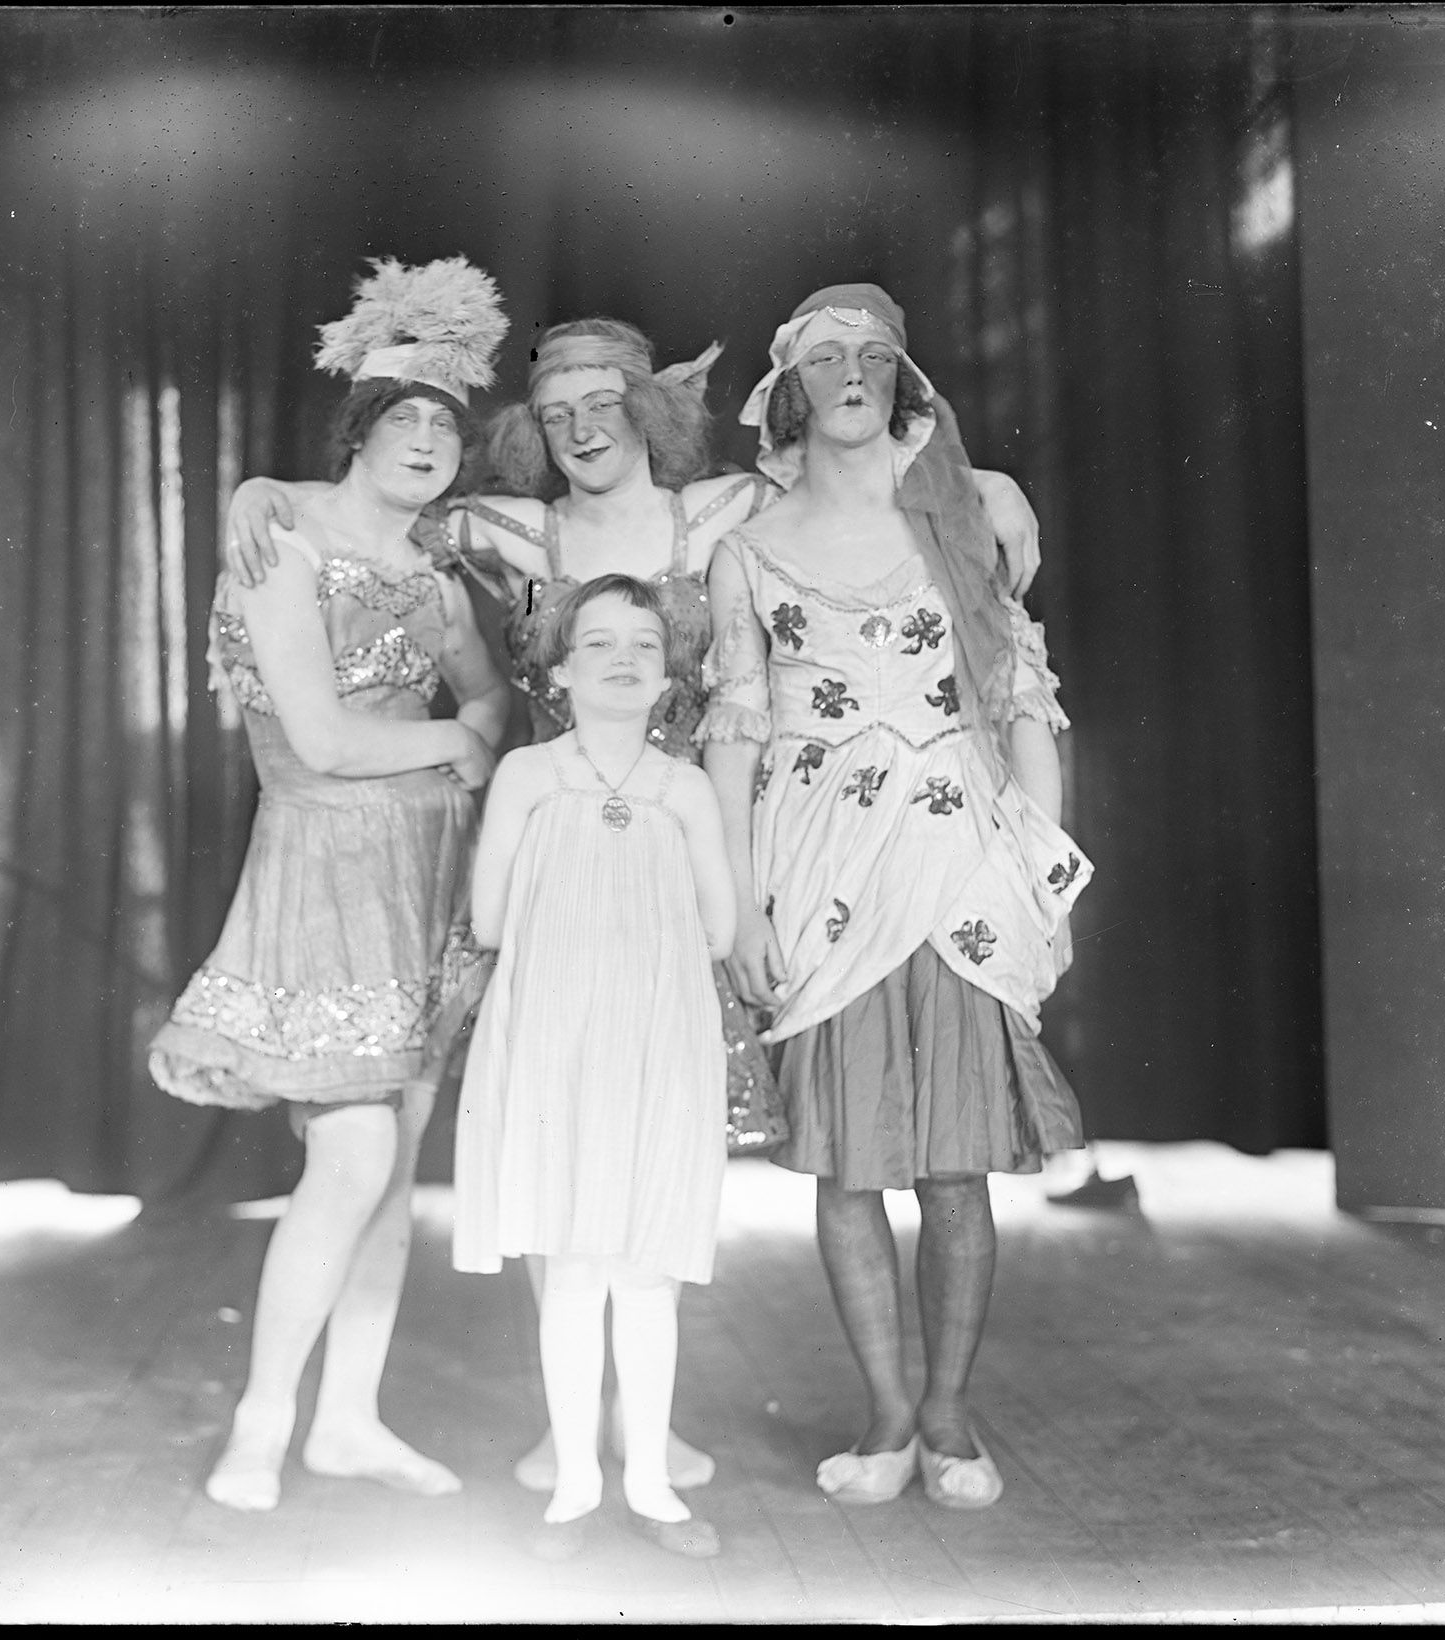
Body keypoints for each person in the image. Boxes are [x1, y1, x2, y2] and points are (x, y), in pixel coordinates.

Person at [219, 315, 1050, 1494]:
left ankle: (646, 1414)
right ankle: (572, 1420)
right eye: (555, 415)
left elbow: (862, 463)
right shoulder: (512, 526)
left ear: (649, 412)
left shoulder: (720, 509)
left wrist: (993, 481)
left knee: (663, 1137)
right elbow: (370, 502)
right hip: (557, 855)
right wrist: (261, 488)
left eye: (602, 405)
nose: (581, 428)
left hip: (685, 843)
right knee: (556, 1127)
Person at [701, 283, 1093, 1511]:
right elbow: (732, 735)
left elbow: (1024, 701)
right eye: (825, 357)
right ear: (787, 393)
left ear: (904, 383)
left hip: (955, 862)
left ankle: (945, 1414)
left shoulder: (965, 515)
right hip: (818, 872)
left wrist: (1042, 872)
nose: (853, 370)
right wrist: (738, 908)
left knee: (955, 1168)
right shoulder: (744, 548)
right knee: (849, 1168)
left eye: (874, 353)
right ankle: (879, 1408)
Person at [147, 257, 512, 1513]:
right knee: (351, 1159)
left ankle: (346, 1420)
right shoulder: (278, 528)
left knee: (394, 1164)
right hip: (320, 861)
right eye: (399, 418)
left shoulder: (434, 568)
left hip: (422, 870)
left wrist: (471, 728)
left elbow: (489, 693)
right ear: (357, 430)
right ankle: (261, 1423)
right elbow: (318, 738)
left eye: (441, 425)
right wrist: (453, 743)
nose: (422, 438)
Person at [452, 574, 736, 1561]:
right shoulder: (529, 777)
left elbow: (719, 923)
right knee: (570, 1269)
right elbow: (488, 918)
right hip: (550, 1040)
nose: (622, 659)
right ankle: (575, 1483)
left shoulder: (686, 787)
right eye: (598, 643)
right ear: (557, 670)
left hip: (658, 1045)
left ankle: (650, 1481)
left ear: (668, 678)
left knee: (646, 1271)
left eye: (644, 646)